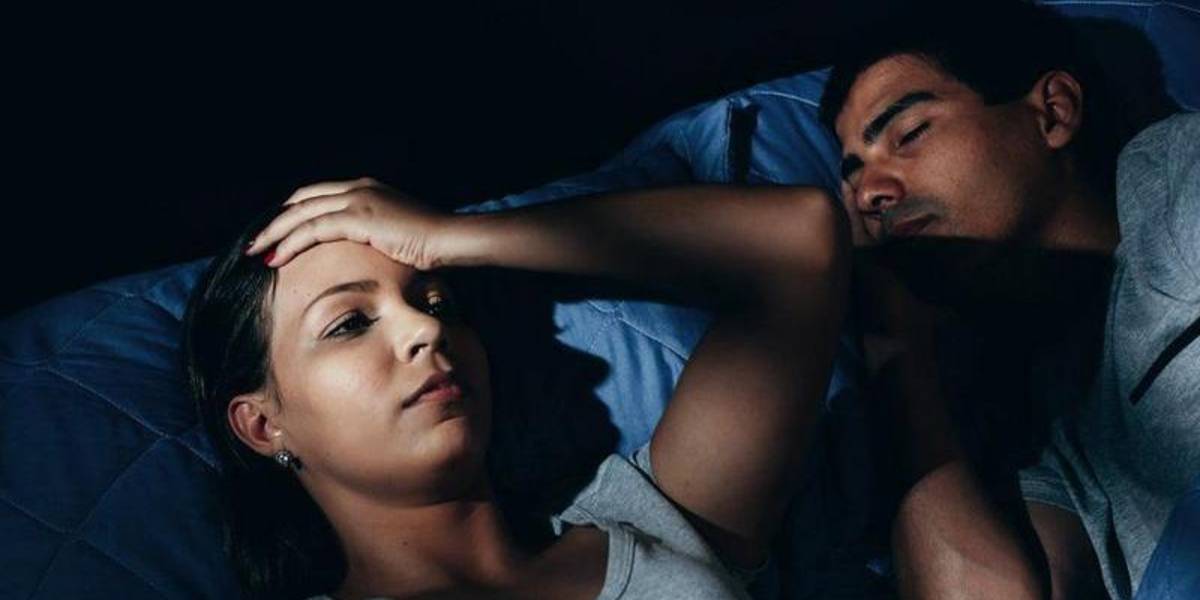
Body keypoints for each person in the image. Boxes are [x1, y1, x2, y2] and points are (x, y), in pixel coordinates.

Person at [183, 177, 850, 599]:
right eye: (349, 323)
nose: (425, 328)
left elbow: (802, 237)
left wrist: (445, 237)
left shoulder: (653, 524)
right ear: (262, 425)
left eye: (439, 303)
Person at [817, 1, 1198, 599]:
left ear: (1052, 112)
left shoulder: (1176, 180)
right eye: (854, 176)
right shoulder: (1030, 416)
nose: (869, 194)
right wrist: (893, 328)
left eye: (909, 134)